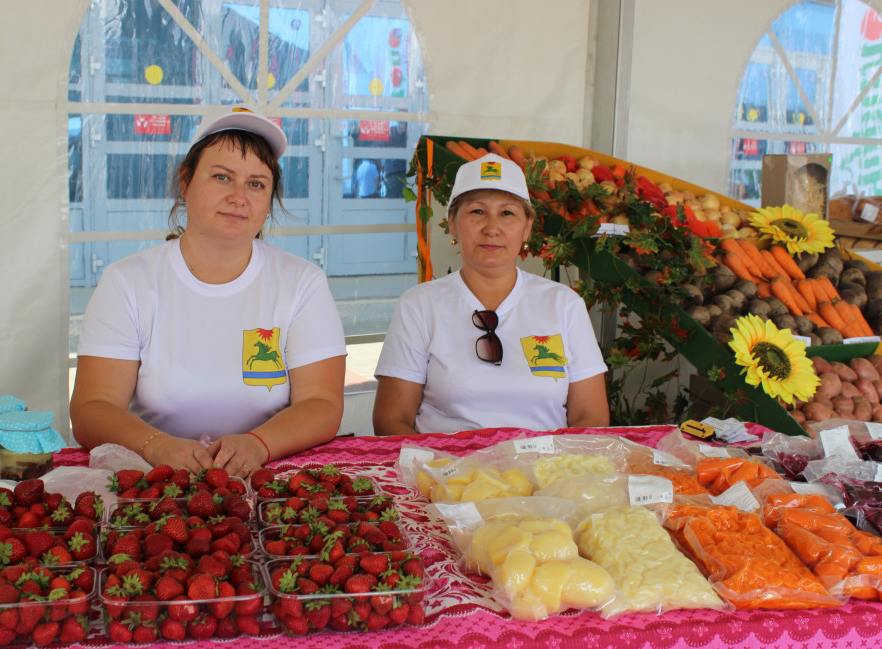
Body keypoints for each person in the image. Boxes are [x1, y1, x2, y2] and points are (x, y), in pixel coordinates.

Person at [71, 107, 347, 477]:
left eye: (256, 184)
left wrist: (258, 444)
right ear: (185, 182)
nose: (238, 197)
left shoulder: (302, 283)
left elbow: (322, 403)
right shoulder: (128, 282)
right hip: (156, 479)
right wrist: (157, 445)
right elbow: (92, 407)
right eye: (222, 177)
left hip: (268, 478)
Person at [373, 154, 609, 435]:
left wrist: (555, 462)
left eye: (507, 213)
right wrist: (445, 463)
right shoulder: (420, 305)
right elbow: (392, 419)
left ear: (527, 227)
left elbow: (590, 415)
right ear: (452, 223)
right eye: (477, 211)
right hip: (448, 461)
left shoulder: (563, 304)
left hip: (546, 461)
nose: (492, 228)